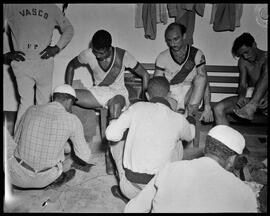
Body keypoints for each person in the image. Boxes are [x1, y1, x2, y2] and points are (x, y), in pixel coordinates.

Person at [65, 29, 150, 174]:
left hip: (118, 93)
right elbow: (71, 66)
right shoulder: (88, 54)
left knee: (115, 106)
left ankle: (111, 157)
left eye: (101, 53)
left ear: (109, 48)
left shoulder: (123, 55)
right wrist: (67, 88)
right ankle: (72, 148)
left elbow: (145, 74)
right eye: (95, 52)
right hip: (98, 92)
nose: (97, 56)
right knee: (66, 96)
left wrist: (145, 98)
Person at [124, 125, 258, 213]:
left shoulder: (170, 169)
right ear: (232, 159)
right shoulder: (244, 192)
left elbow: (132, 209)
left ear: (206, 148)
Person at [105, 76, 196, 201]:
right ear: (169, 95)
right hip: (163, 189)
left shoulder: (136, 108)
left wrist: (114, 120)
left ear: (147, 95)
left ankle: (131, 196)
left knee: (115, 143)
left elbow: (111, 135)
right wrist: (190, 118)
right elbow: (191, 135)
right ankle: (153, 201)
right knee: (179, 141)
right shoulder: (178, 118)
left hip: (131, 188)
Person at [3, 4, 74, 133]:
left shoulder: (52, 8)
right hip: (22, 63)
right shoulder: (10, 7)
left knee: (44, 105)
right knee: (26, 104)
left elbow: (69, 29)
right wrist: (6, 55)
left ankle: (41, 141)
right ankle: (18, 145)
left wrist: (56, 48)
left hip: (44, 63)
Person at [6, 84, 92, 189]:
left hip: (16, 176)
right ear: (70, 101)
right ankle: (59, 178)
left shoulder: (31, 110)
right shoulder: (73, 120)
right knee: (68, 148)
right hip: (46, 179)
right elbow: (85, 157)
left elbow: (16, 140)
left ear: (53, 98)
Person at [154, 22, 213, 123]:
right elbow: (157, 84)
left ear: (184, 36)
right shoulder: (162, 57)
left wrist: (207, 106)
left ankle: (189, 121)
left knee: (201, 77)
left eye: (176, 39)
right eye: (169, 40)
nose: (172, 44)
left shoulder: (197, 54)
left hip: (191, 95)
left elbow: (204, 82)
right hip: (171, 94)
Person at [214, 33, 268, 124]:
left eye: (246, 52)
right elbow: (243, 85)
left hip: (264, 101)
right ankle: (226, 138)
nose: (245, 56)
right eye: (242, 54)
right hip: (250, 99)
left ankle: (252, 106)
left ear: (254, 45)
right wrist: (241, 96)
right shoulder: (243, 61)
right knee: (218, 108)